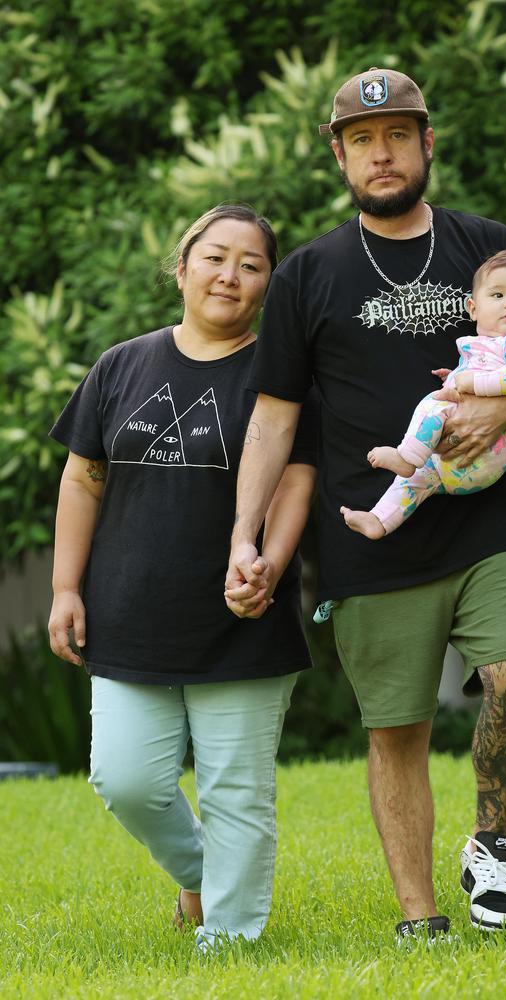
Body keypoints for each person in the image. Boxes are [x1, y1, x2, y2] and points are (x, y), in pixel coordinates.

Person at [226, 68, 506, 938]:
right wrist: (244, 535)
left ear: (427, 142)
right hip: (370, 530)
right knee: (397, 729)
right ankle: (421, 920)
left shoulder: (490, 248)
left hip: (488, 518)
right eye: (361, 141)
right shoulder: (308, 273)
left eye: (396, 136)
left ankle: (491, 848)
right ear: (341, 156)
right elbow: (273, 420)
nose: (379, 155)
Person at [48, 205, 317, 952]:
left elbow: (296, 482)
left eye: (252, 265)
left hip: (242, 617)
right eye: (215, 257)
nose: (230, 275)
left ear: (267, 286)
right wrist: (66, 588)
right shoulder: (122, 364)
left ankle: (229, 941)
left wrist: (269, 562)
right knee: (123, 778)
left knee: (237, 791)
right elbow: (82, 479)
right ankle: (202, 873)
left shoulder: (281, 377)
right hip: (130, 610)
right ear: (182, 267)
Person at [341, 249, 506, 539]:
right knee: (414, 483)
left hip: (485, 453)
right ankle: (380, 520)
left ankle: (406, 455)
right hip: (455, 464)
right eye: (498, 296)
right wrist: (453, 376)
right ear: (473, 309)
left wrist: (467, 382)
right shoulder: (484, 346)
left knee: (433, 405)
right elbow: (478, 376)